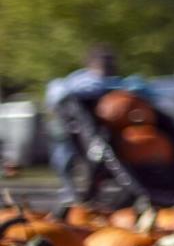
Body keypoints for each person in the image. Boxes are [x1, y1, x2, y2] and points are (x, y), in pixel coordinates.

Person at [43, 45, 154, 201]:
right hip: (77, 131)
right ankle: (73, 191)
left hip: (106, 131)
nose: (110, 67)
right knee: (68, 158)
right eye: (106, 63)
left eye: (112, 63)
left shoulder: (120, 83)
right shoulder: (78, 82)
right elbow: (61, 96)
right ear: (92, 63)